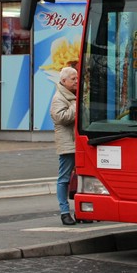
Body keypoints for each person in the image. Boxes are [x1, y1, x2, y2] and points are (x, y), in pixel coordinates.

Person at [51, 66, 79, 225]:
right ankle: (64, 212)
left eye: (76, 78)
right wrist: (76, 105)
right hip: (68, 145)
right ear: (63, 81)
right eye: (73, 79)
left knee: (82, 177)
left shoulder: (72, 95)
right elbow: (61, 118)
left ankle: (82, 211)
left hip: (78, 143)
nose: (76, 81)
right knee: (64, 178)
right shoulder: (59, 98)